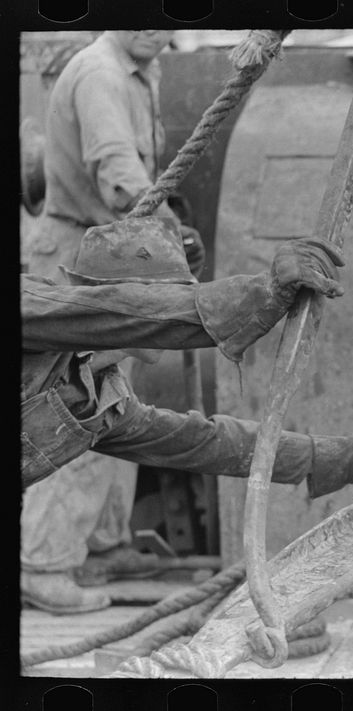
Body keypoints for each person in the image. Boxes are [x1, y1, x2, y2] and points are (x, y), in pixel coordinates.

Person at [21, 219, 353, 612]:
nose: (165, 315)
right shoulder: (31, 307)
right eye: (164, 297)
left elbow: (205, 442)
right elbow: (127, 310)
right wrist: (263, 293)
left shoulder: (99, 401)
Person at [20, 30, 207, 613]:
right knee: (73, 405)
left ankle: (102, 544)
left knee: (112, 402)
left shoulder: (138, 70)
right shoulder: (101, 72)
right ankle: (45, 563)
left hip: (113, 255)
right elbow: (119, 172)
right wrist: (169, 234)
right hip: (81, 258)